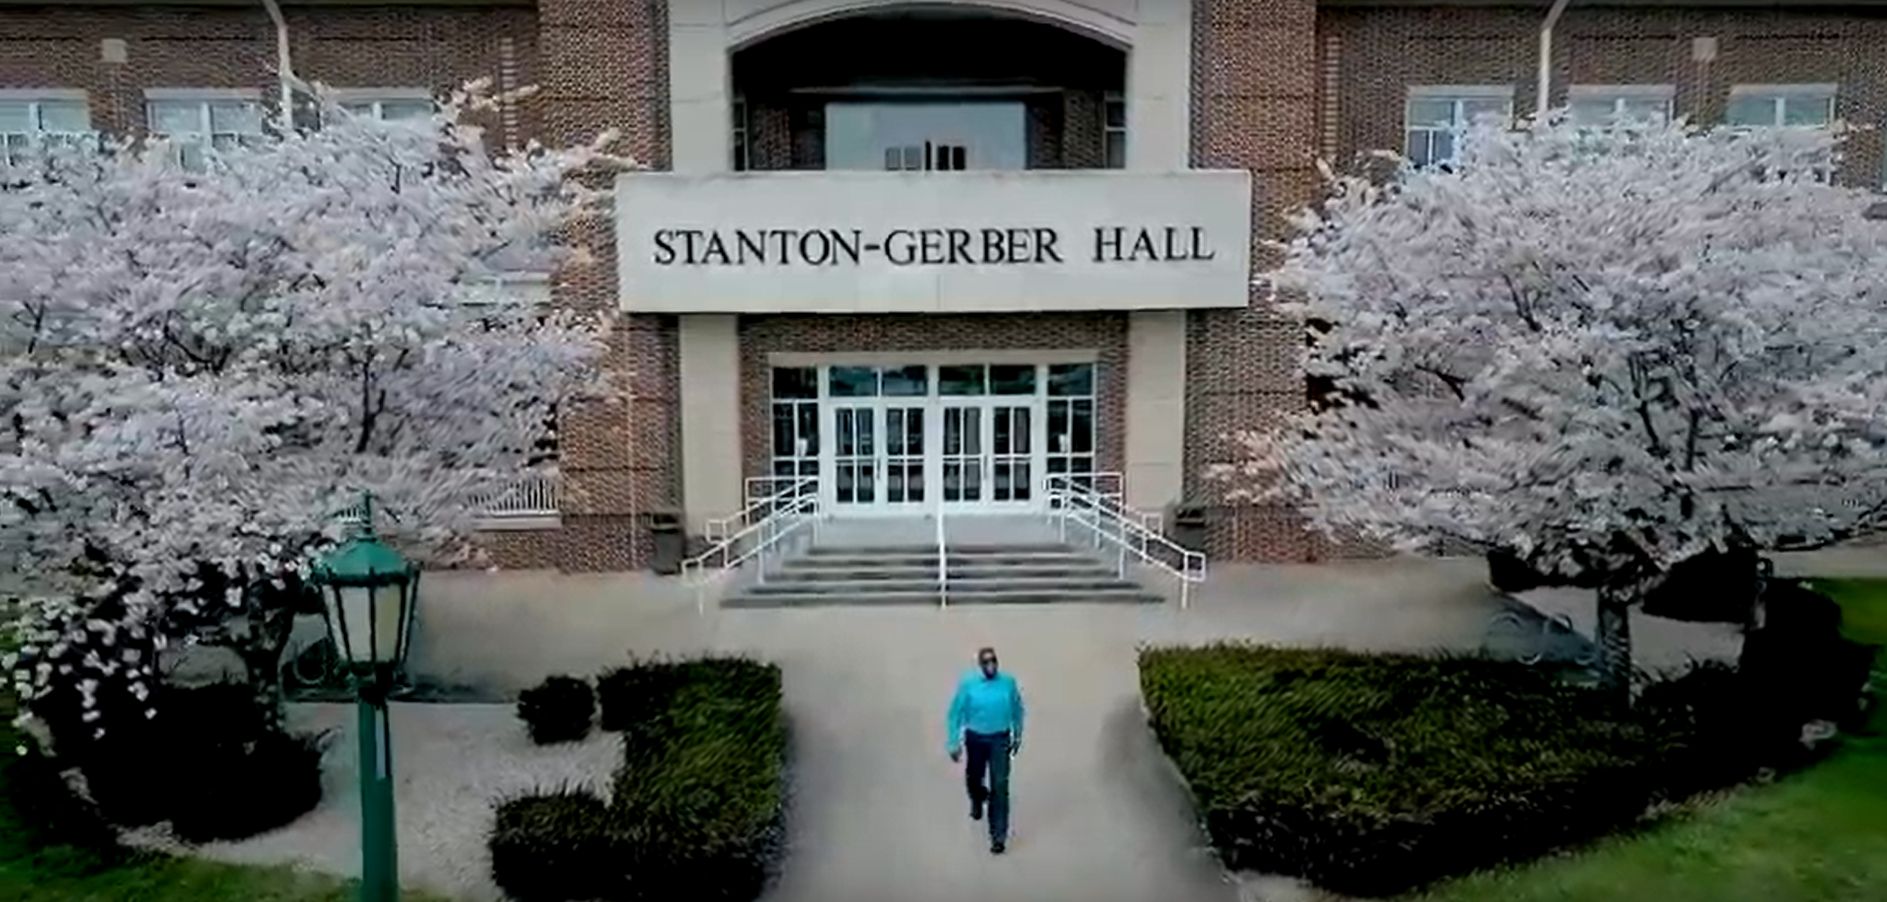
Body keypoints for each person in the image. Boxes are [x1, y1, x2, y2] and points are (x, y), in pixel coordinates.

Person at [945, 646, 1025, 854]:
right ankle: (977, 797)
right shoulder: (969, 684)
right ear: (981, 665)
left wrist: (1017, 734)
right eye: (986, 662)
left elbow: (1017, 709)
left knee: (1000, 785)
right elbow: (954, 713)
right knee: (974, 777)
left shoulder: (1007, 683)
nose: (991, 666)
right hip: (976, 737)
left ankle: (998, 836)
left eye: (993, 661)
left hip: (1000, 738)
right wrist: (953, 742)